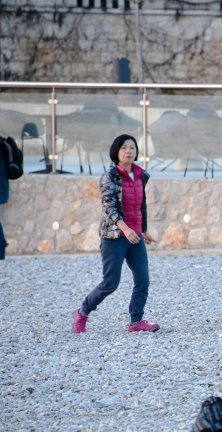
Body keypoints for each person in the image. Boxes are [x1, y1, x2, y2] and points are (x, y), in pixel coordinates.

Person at [72, 134, 159, 333]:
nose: (129, 151)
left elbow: (140, 206)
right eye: (124, 148)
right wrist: (125, 229)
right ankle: (82, 312)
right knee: (110, 283)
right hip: (114, 237)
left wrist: (142, 230)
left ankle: (136, 321)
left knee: (143, 280)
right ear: (116, 152)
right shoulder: (109, 176)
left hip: (134, 237)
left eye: (132, 147)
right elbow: (109, 207)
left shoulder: (141, 176)